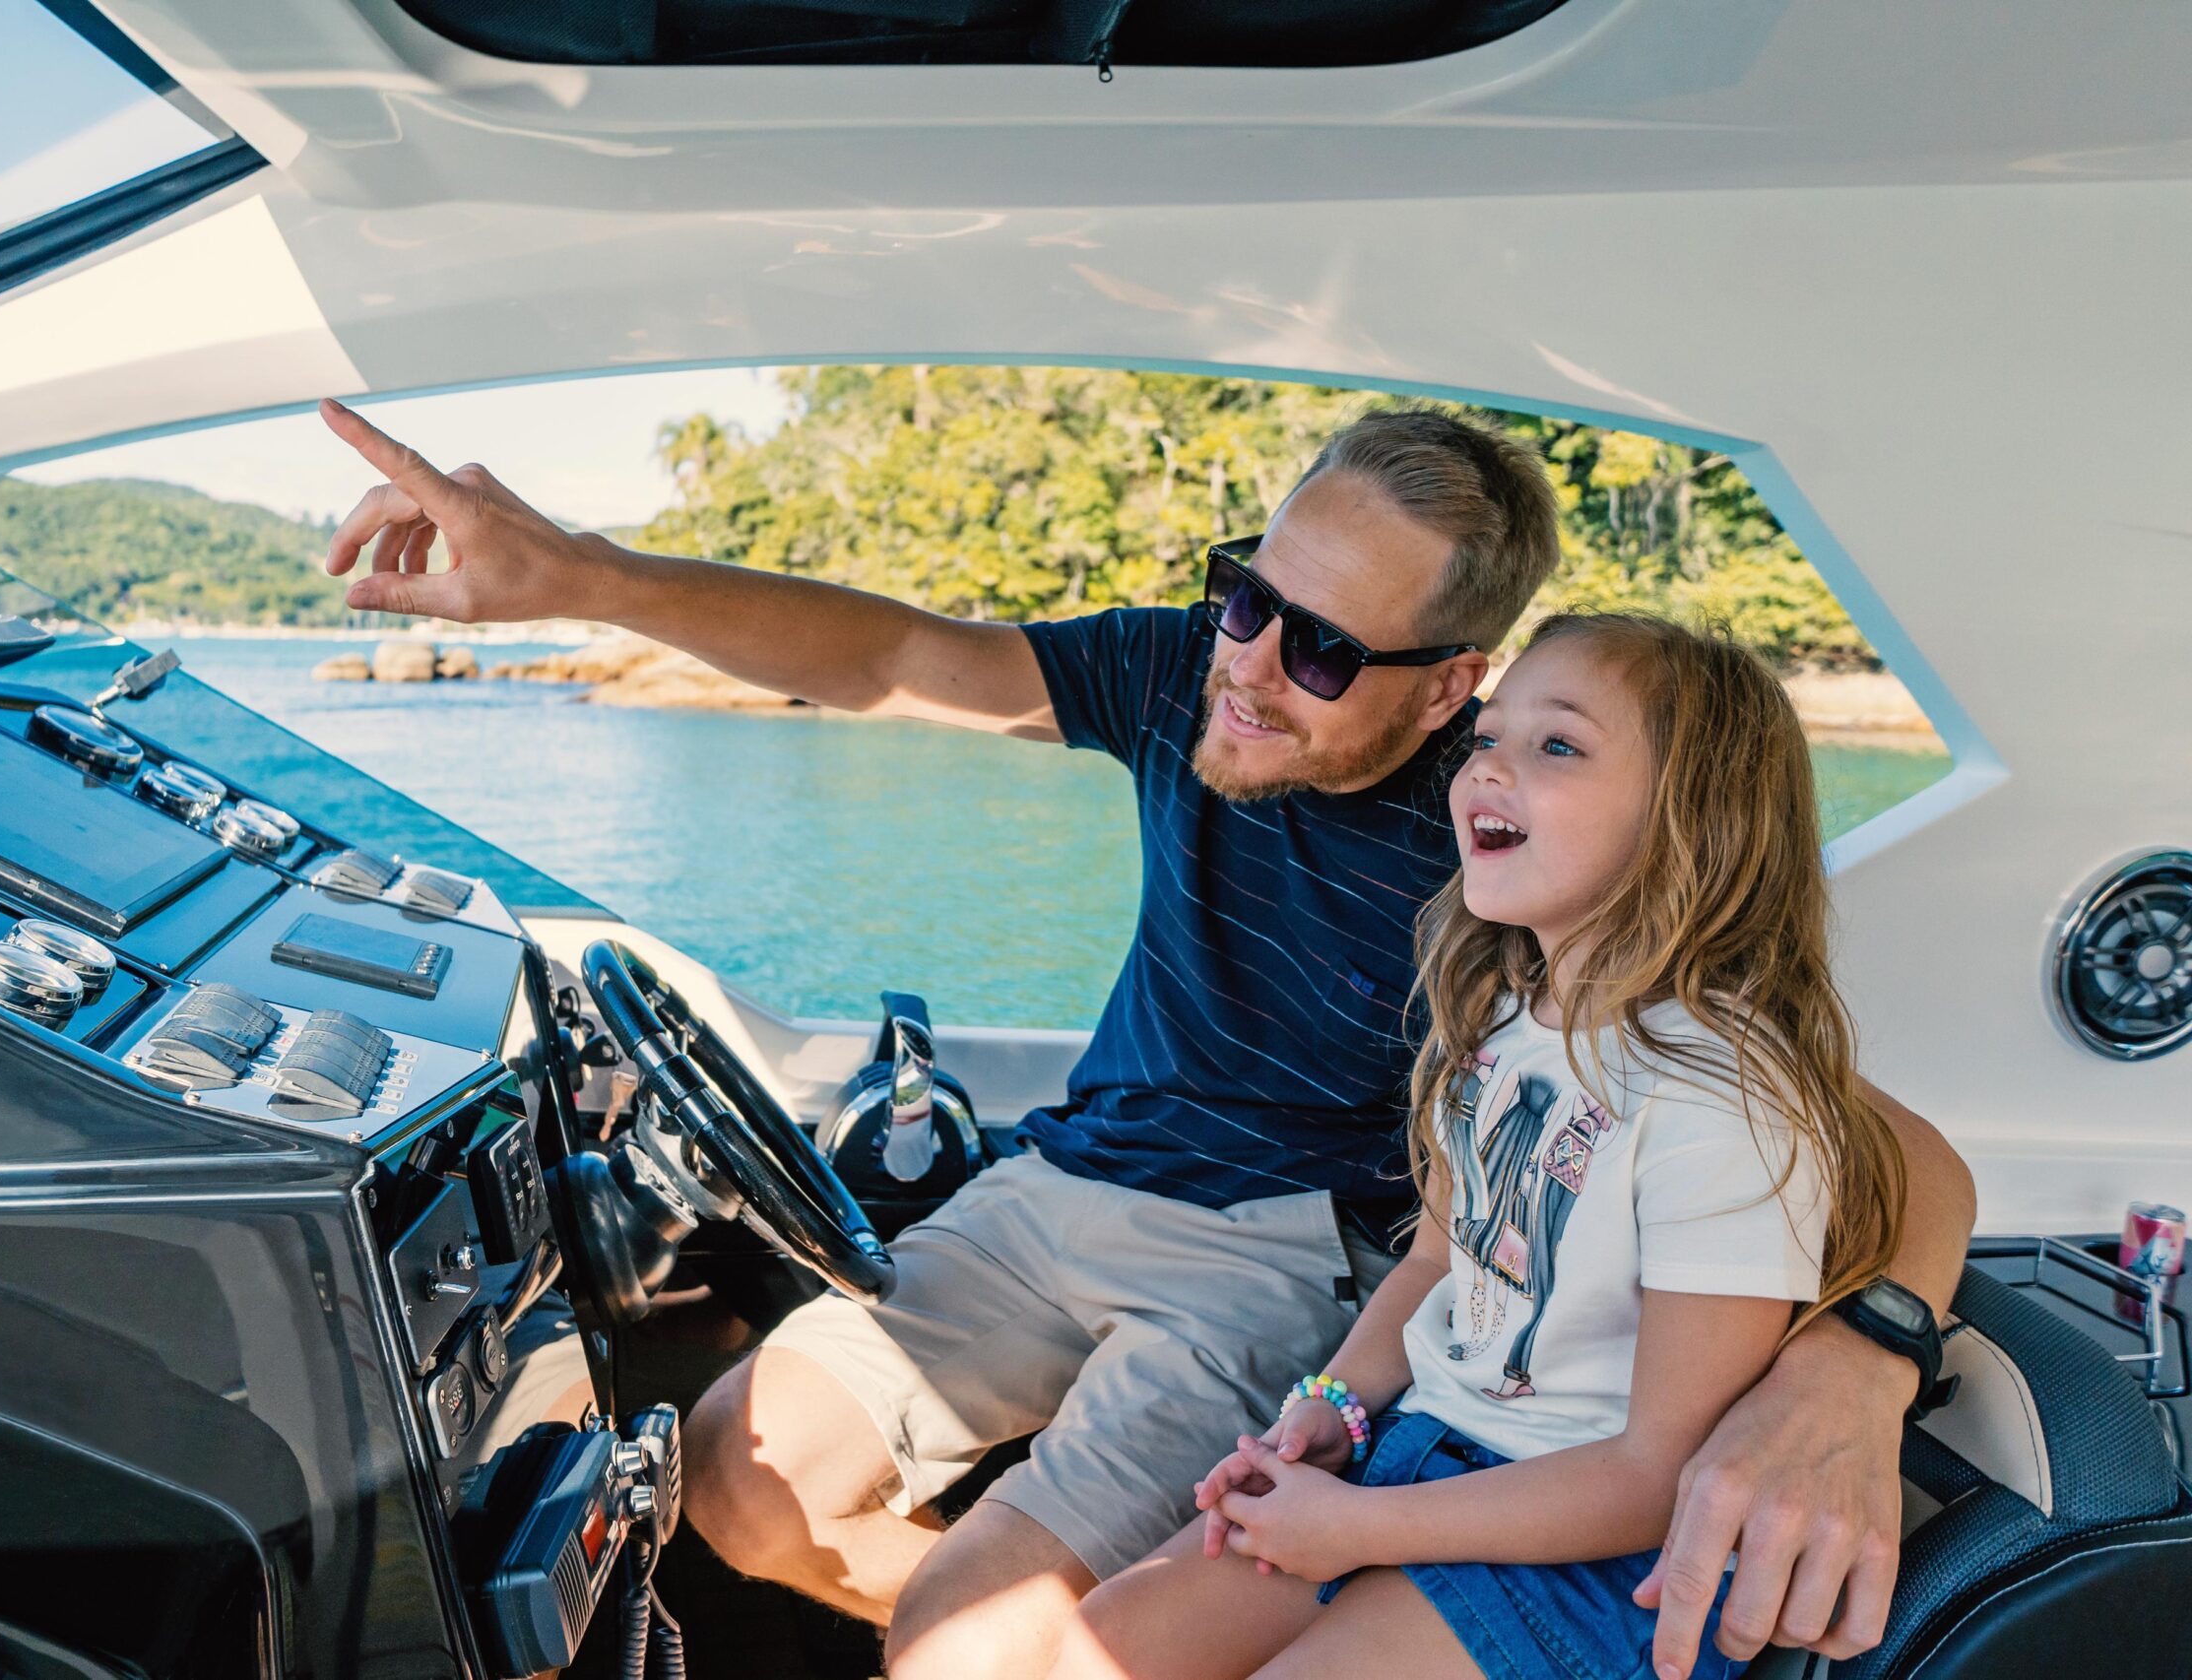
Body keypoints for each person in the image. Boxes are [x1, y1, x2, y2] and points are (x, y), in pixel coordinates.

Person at [313, 396, 1978, 1680]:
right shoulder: (1207, 683)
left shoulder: (1517, 853)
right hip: (1061, 1185)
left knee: (960, 1644)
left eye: (1322, 649)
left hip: (1261, 1262)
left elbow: (1877, 1143)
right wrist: (575, 580)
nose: (1250, 670)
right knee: (734, 1484)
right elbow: (897, 654)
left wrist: (1853, 1365)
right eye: (1247, 599)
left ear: (1447, 684)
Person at [1049, 613, 1904, 1680]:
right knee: (1088, 1655)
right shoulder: (1499, 1011)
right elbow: (1429, 1265)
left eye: (1556, 744)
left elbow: (1656, 1465)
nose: (1487, 768)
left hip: (1594, 1550)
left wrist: (1358, 1531)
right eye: (1488, 737)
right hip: (1416, 1456)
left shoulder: (1718, 1092)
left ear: (1691, 813)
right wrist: (1330, 1410)